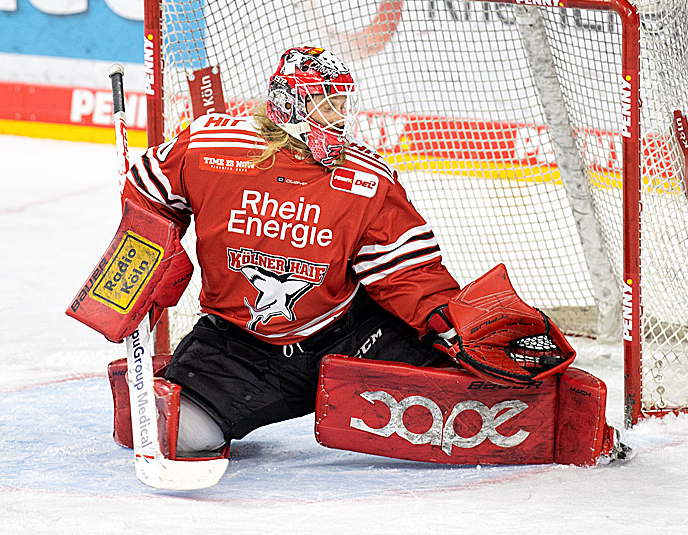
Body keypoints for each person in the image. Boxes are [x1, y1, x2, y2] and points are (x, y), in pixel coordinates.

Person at [121, 46, 461, 457]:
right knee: (177, 435)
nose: (340, 120)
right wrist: (150, 261)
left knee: (457, 376)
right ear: (290, 105)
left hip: (349, 334)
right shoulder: (211, 148)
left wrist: (454, 327)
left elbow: (406, 272)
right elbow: (147, 193)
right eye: (328, 105)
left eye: (342, 106)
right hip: (238, 348)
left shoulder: (366, 178)